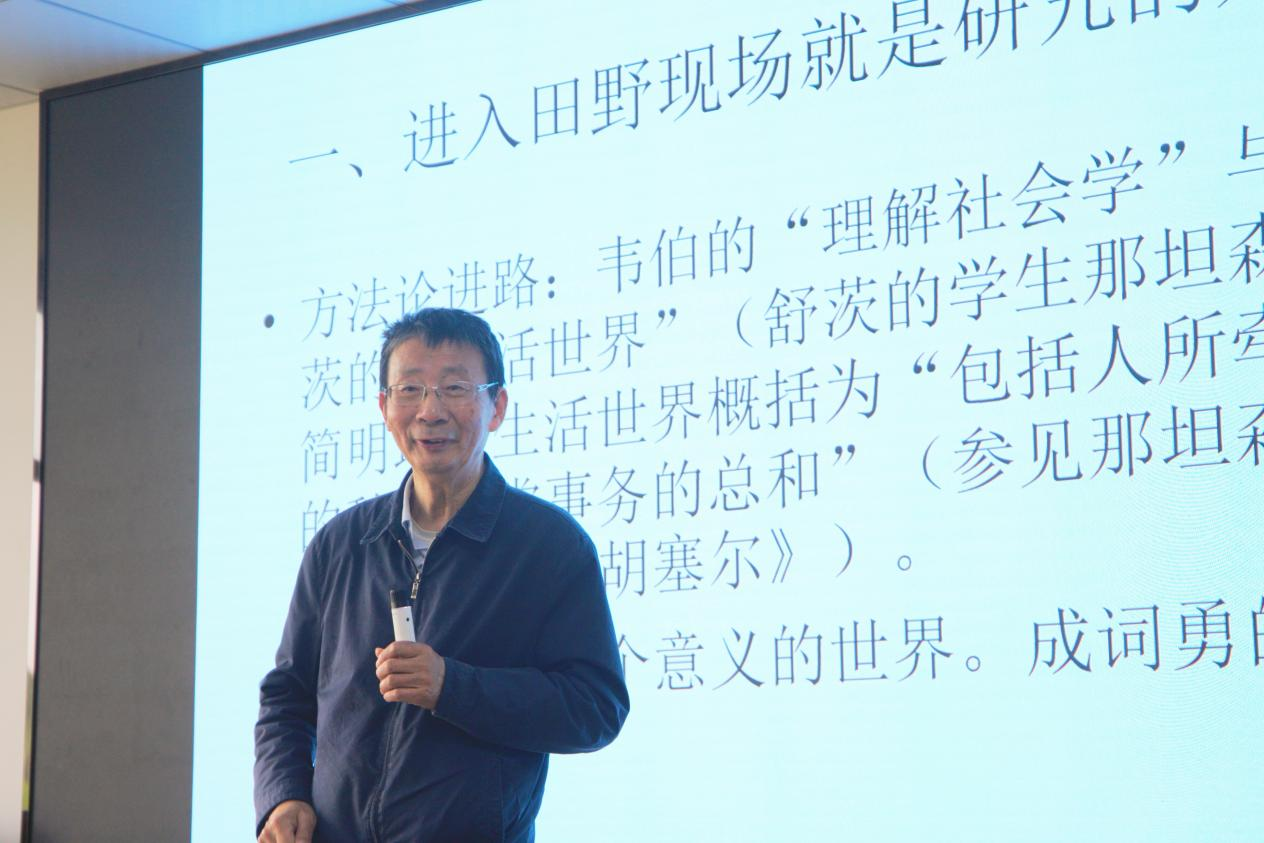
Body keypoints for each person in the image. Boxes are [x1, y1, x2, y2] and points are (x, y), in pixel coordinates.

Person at [254, 308, 629, 843]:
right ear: (384, 408)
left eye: (455, 388)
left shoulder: (550, 546)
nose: (430, 412)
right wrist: (283, 794)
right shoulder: (341, 543)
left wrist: (453, 687)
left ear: (497, 407)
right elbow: (288, 697)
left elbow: (595, 708)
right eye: (410, 389)